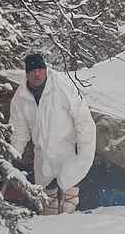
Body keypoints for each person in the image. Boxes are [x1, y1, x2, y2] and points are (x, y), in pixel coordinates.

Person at [9, 53, 97, 214]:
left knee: (67, 205)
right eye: (33, 71)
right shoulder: (20, 97)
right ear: (26, 73)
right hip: (42, 157)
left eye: (40, 70)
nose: (37, 74)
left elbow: (83, 118)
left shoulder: (62, 86)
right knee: (48, 210)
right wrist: (13, 156)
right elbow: (19, 131)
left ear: (45, 70)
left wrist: (84, 149)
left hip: (67, 154)